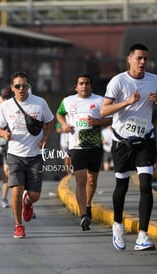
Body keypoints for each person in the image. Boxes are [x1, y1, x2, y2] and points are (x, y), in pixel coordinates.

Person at [101, 43, 157, 251]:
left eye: (146, 59)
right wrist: (127, 102)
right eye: (139, 58)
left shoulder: (154, 80)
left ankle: (142, 235)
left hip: (145, 140)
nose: (142, 62)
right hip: (123, 143)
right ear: (129, 59)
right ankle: (118, 225)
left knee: (146, 186)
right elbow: (104, 111)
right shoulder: (118, 81)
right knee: (122, 185)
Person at [0, 72, 54, 239]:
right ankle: (18, 225)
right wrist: (3, 134)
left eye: (24, 85)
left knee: (34, 196)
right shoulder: (6, 106)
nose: (21, 89)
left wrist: (45, 138)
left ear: (29, 86)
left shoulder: (39, 103)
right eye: (17, 86)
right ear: (12, 88)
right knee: (16, 190)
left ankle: (28, 202)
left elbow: (49, 121)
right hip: (14, 155)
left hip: (35, 155)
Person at [56, 73, 112, 231]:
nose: (84, 86)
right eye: (81, 83)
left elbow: (112, 119)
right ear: (76, 86)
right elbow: (59, 114)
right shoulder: (68, 101)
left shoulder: (100, 100)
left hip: (94, 145)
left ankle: (87, 204)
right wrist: (64, 125)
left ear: (91, 86)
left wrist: (97, 122)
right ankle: (83, 216)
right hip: (76, 146)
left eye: (87, 83)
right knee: (80, 180)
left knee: (92, 180)